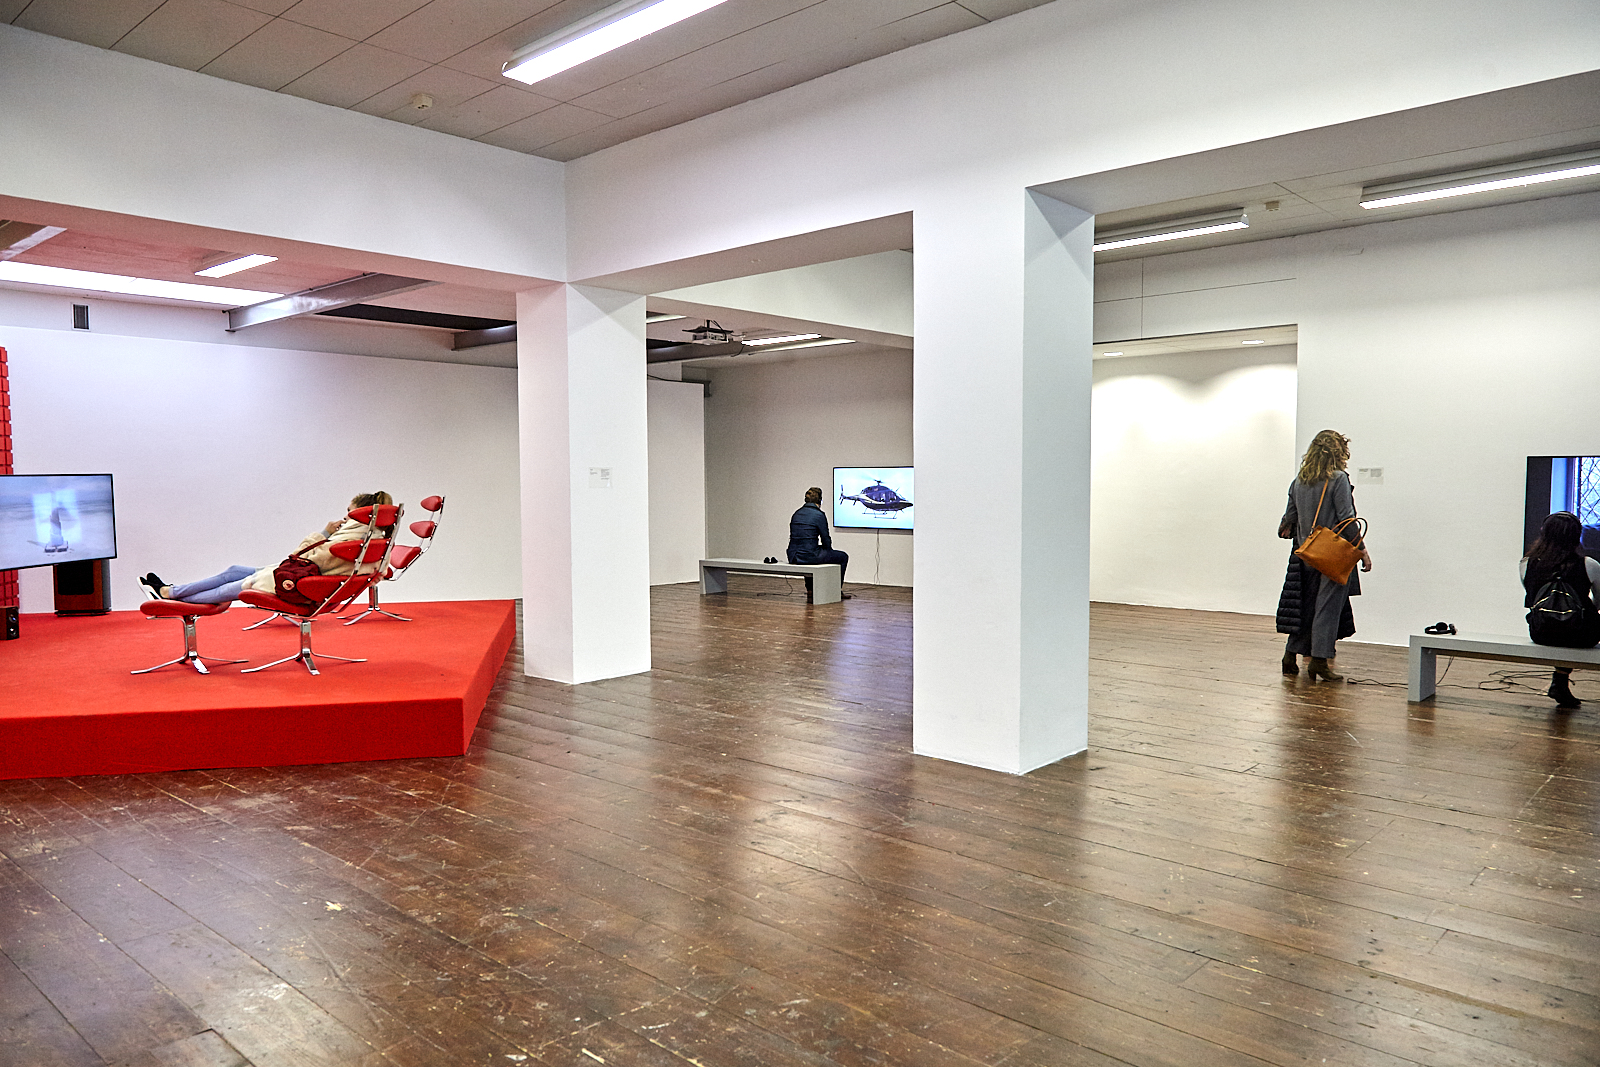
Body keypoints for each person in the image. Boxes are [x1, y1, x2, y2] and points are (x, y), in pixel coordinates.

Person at [140, 492, 395, 606]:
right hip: (303, 579)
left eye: (349, 511)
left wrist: (325, 532)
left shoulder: (349, 540)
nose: (345, 516)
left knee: (226, 591)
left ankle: (172, 599)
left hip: (298, 586)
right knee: (234, 570)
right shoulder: (371, 538)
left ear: (359, 513)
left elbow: (300, 555)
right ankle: (170, 591)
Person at [1276, 431, 1372, 681]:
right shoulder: (1338, 479)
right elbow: (1347, 519)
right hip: (1332, 554)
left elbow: (1289, 520)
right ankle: (1319, 661)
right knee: (1327, 608)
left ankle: (1290, 656)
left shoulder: (1299, 481)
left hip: (1305, 553)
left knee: (1305, 606)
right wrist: (1362, 551)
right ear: (1338, 452)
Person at [1520, 510, 1600, 710]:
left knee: (1561, 627)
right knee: (1576, 625)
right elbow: (1599, 601)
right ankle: (1560, 681)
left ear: (1544, 533)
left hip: (1541, 631)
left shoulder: (1526, 564)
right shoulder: (1588, 564)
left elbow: (1531, 596)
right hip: (1581, 635)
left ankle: (1560, 682)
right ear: (1576, 535)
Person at [787, 486, 851, 599]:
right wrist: (829, 551)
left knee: (809, 553)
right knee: (842, 557)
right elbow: (825, 538)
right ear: (820, 500)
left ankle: (810, 589)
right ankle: (836, 590)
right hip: (809, 556)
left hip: (793, 556)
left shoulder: (796, 513)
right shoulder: (819, 515)